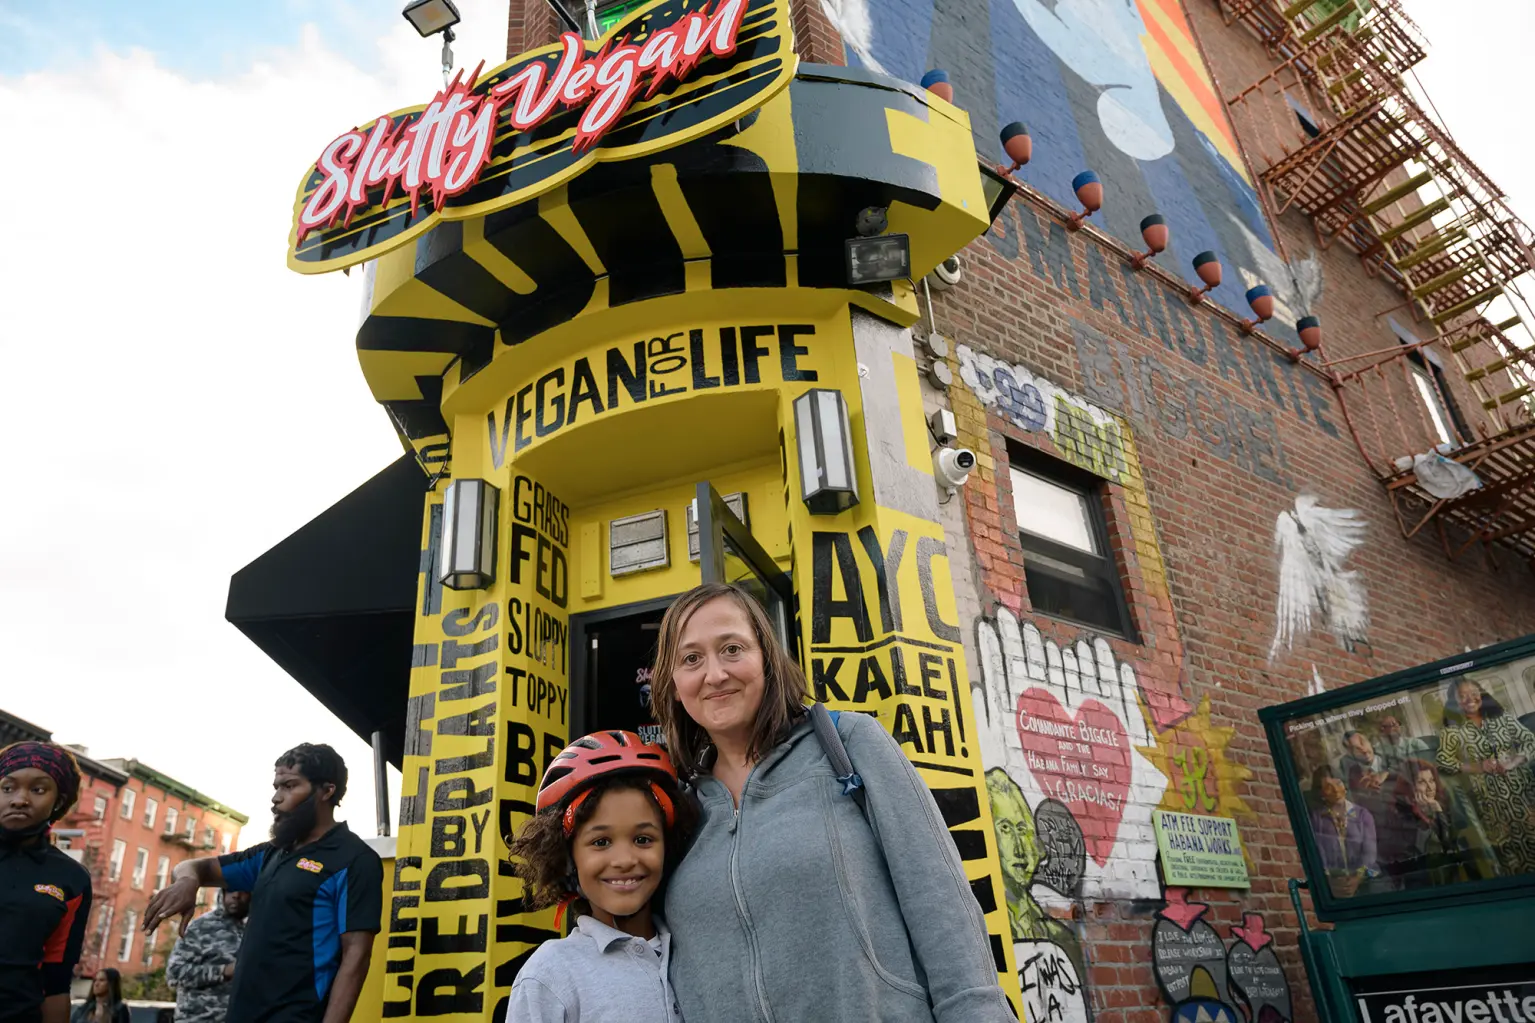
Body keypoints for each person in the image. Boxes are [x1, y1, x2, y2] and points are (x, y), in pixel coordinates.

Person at [654, 582, 1014, 1023]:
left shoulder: (849, 744)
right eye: (691, 659)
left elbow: (939, 899)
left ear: (766, 656)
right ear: (673, 685)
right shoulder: (680, 811)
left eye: (732, 649)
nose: (714, 674)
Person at [143, 744, 382, 1023]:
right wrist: (187, 881)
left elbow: (356, 956)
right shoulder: (270, 854)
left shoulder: (354, 860)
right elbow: (196, 867)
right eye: (276, 787)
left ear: (326, 791)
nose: (276, 798)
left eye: (289, 786)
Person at [506, 730, 696, 1021]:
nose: (624, 860)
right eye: (601, 842)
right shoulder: (549, 975)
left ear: (668, 846)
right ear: (567, 857)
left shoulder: (696, 950)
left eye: (643, 839)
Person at [0, 741, 91, 1023]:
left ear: (59, 801)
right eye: (7, 788)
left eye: (38, 789)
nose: (19, 799)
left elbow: (56, 980)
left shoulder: (72, 878)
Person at [1436, 678, 1535, 875]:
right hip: (1489, 803)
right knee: (1509, 857)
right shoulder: (1452, 732)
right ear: (1455, 702)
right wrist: (1477, 767)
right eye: (1462, 696)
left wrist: (1514, 761)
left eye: (1474, 693)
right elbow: (1442, 761)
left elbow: (1530, 740)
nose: (1470, 699)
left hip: (1525, 793)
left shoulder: (1502, 718)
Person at [166, 889, 250, 1023]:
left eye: (242, 890)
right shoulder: (200, 927)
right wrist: (223, 971)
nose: (236, 895)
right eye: (231, 890)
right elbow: (174, 974)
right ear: (222, 893)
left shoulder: (258, 930)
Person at [1308, 764, 1379, 897]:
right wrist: (1329, 880)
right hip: (1334, 886)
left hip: (1365, 883)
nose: (1336, 790)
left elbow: (1370, 853)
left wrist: (1357, 878)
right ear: (1322, 793)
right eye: (1329, 787)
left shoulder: (1363, 815)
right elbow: (1319, 853)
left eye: (1338, 783)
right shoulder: (1318, 819)